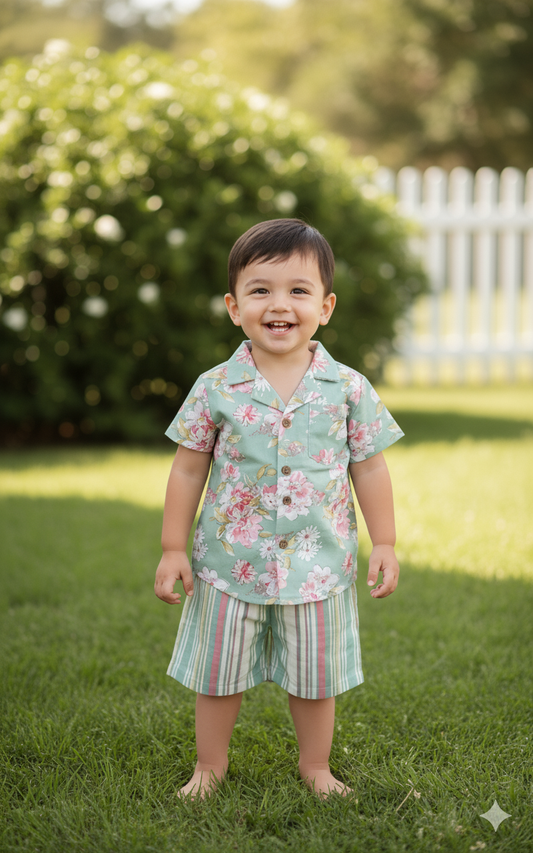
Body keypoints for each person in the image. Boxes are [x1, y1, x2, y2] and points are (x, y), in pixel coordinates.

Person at [154, 218, 404, 800]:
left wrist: (385, 541)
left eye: (298, 290)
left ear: (326, 305)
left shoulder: (347, 388)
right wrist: (172, 547)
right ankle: (209, 766)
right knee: (218, 673)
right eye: (260, 290)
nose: (279, 304)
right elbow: (188, 467)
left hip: (318, 563)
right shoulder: (216, 386)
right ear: (233, 306)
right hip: (227, 561)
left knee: (317, 679)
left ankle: (315, 765)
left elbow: (369, 466)